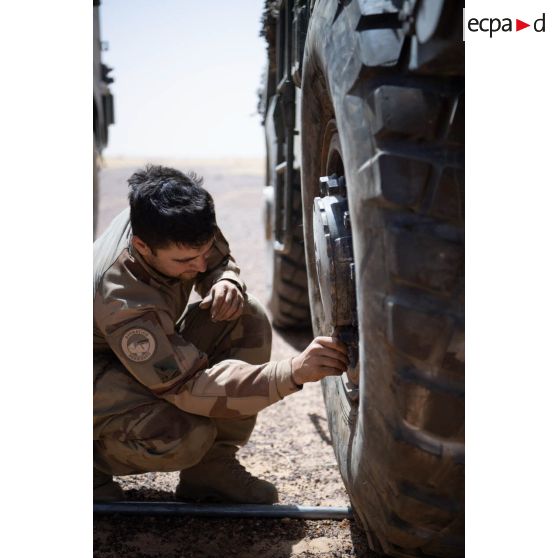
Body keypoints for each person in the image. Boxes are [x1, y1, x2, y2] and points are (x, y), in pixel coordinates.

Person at [93, 165, 348, 504]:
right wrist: (293, 372)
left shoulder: (169, 217)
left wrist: (224, 279)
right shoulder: (124, 298)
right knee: (184, 437)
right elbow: (190, 388)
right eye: (185, 260)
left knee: (245, 315)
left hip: (124, 354)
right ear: (142, 246)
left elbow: (215, 259)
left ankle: (210, 471)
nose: (199, 266)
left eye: (203, 252)